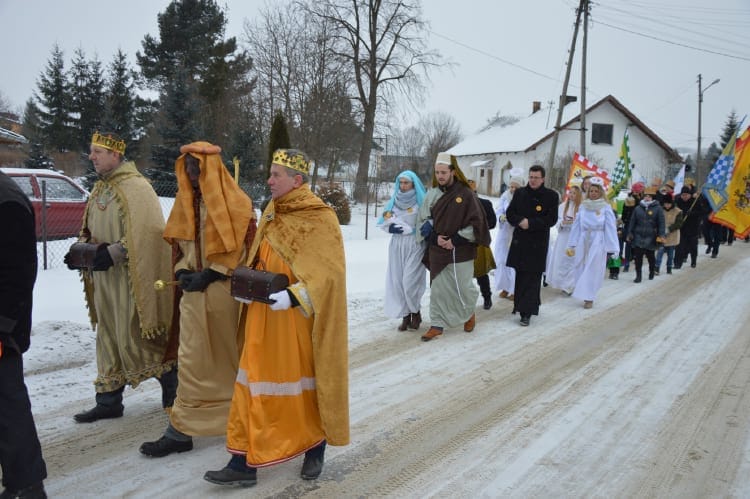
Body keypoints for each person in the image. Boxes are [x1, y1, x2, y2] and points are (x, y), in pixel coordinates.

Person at [204, 149, 348, 487]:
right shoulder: (272, 209)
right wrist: (246, 285)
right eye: (270, 174)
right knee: (250, 381)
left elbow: (330, 275)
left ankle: (315, 445)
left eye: (276, 175)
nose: (269, 180)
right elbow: (260, 256)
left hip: (295, 320)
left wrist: (296, 296)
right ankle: (242, 460)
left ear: (296, 180)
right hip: (262, 313)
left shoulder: (319, 217)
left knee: (300, 386)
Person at [139, 142, 256, 457]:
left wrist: (215, 272)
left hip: (226, 297)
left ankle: (238, 421)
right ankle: (180, 429)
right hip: (192, 295)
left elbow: (244, 249)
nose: (190, 175)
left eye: (196, 168)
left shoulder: (237, 202)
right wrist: (185, 271)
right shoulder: (185, 202)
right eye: (187, 168)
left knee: (228, 362)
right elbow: (180, 247)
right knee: (190, 361)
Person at [64, 132, 177, 423]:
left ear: (115, 155)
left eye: (97, 152)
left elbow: (148, 235)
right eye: (91, 151)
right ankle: (108, 401)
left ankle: (173, 390)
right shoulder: (100, 189)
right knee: (108, 337)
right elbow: (87, 228)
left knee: (136, 334)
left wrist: (112, 253)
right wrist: (81, 250)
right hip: (104, 280)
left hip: (131, 281)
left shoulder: (137, 188)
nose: (91, 157)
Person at [0, 171, 47, 498]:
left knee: (6, 405)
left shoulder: (7, 200)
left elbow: (18, 272)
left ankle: (27, 485)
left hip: (3, 331)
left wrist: (2, 326)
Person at [415, 153, 490, 341]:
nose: (440, 176)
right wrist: (435, 237)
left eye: (443, 172)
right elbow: (422, 221)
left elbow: (477, 223)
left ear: (453, 172)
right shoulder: (432, 195)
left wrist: (455, 239)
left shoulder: (465, 194)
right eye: (437, 172)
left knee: (462, 287)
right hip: (438, 250)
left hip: (461, 250)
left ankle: (468, 313)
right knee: (438, 289)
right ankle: (437, 324)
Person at [505, 164, 559, 326]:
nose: (533, 180)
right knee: (521, 276)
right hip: (520, 241)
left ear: (543, 179)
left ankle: (526, 312)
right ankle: (521, 306)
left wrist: (532, 223)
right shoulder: (520, 193)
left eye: (536, 178)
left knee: (533, 277)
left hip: (538, 242)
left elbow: (552, 219)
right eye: (531, 177)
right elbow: (510, 213)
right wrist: (520, 221)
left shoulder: (551, 196)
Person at [378, 170, 428, 330]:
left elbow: (429, 220)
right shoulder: (394, 201)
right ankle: (406, 315)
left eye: (407, 182)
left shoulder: (421, 201)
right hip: (397, 245)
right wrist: (390, 228)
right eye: (401, 182)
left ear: (413, 183)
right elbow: (383, 220)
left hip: (415, 244)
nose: (403, 186)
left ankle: (416, 311)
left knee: (410, 281)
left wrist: (420, 229)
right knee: (398, 281)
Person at [565, 177, 620, 309]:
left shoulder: (605, 208)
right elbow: (577, 226)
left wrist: (613, 248)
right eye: (591, 191)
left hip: (598, 240)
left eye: (596, 191)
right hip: (584, 240)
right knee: (581, 266)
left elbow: (610, 228)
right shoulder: (583, 207)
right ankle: (583, 291)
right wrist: (572, 243)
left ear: (601, 192)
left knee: (593, 268)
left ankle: (589, 297)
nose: (593, 193)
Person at [546, 178, 583, 294]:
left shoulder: (581, 207)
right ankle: (562, 284)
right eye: (570, 192)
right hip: (563, 236)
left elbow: (582, 223)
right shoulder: (562, 206)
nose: (571, 195)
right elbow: (557, 220)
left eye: (574, 193)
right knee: (562, 260)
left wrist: (574, 223)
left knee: (572, 260)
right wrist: (562, 223)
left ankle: (570, 285)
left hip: (574, 238)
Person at [625, 186, 666, 283]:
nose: (647, 198)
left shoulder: (658, 209)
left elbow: (661, 223)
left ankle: (652, 270)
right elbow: (632, 221)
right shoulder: (638, 208)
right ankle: (638, 276)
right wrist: (630, 232)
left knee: (650, 256)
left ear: (652, 197)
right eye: (645, 196)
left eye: (649, 196)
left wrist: (661, 235)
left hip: (651, 236)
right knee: (638, 257)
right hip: (638, 235)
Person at [493, 175, 523, 301]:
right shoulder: (504, 197)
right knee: (501, 260)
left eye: (516, 187)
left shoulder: (522, 198)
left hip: (515, 233)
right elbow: (499, 210)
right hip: (504, 233)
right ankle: (504, 287)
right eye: (511, 186)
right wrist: (501, 217)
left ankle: (514, 289)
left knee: (513, 262)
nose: (513, 189)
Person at [468, 180, 497, 310]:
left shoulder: (485, 204)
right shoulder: (458, 205)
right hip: (463, 244)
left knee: (481, 273)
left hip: (479, 242)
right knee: (463, 274)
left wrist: (478, 227)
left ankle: (487, 297)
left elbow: (492, 222)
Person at [674, 185, 708, 269]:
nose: (684, 197)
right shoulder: (678, 202)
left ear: (689, 195)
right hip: (681, 228)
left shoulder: (695, 202)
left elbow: (703, 212)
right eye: (683, 195)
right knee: (680, 247)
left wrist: (692, 213)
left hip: (693, 228)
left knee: (692, 246)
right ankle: (678, 263)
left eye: (686, 195)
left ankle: (693, 261)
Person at [620, 181, 645, 272]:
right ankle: (627, 264)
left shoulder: (642, 199)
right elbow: (624, 214)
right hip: (632, 225)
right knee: (630, 244)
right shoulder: (632, 199)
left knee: (633, 245)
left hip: (636, 224)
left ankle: (631, 262)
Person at [654, 193, 681, 275]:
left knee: (670, 253)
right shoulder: (660, 210)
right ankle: (657, 267)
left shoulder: (677, 211)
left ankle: (669, 267)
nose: (667, 205)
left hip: (672, 235)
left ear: (671, 203)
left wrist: (669, 229)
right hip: (662, 234)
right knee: (660, 252)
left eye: (668, 204)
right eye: (665, 204)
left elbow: (679, 223)